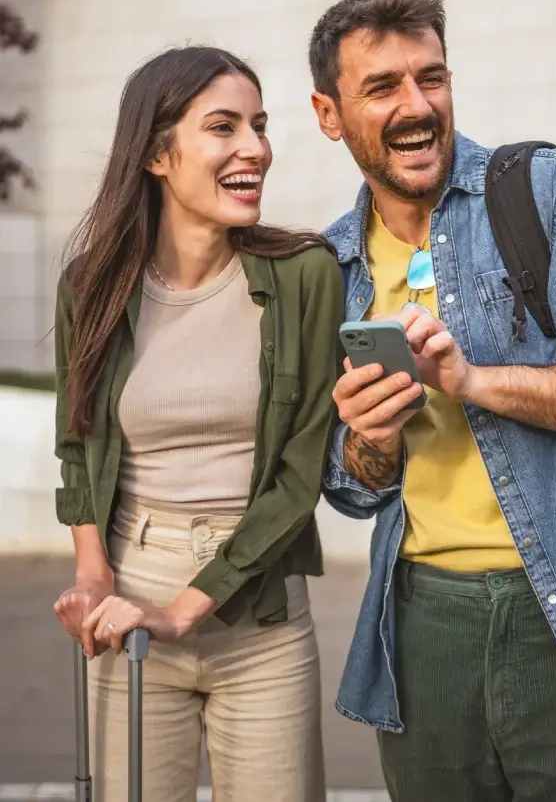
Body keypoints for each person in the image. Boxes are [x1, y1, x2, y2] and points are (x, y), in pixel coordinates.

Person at [309, 0, 556, 801]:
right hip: (422, 627)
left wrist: (472, 382)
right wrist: (370, 438)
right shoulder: (330, 268)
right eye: (383, 88)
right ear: (328, 114)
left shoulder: (549, 192)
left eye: (431, 77)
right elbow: (347, 487)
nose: (417, 107)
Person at [52, 45, 344, 802]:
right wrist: (93, 575)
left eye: (259, 125)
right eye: (223, 127)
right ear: (157, 153)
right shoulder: (90, 286)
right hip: (129, 606)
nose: (255, 148)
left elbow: (299, 472)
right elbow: (79, 445)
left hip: (262, 616)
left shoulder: (305, 274)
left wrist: (184, 608)